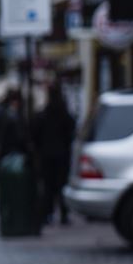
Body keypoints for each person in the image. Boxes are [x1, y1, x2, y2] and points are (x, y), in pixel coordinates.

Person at [33, 83, 76, 226]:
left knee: (48, 186)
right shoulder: (64, 115)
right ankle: (63, 213)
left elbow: (36, 135)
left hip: (47, 155)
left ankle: (48, 214)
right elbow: (70, 133)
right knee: (61, 186)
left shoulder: (43, 114)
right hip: (61, 155)